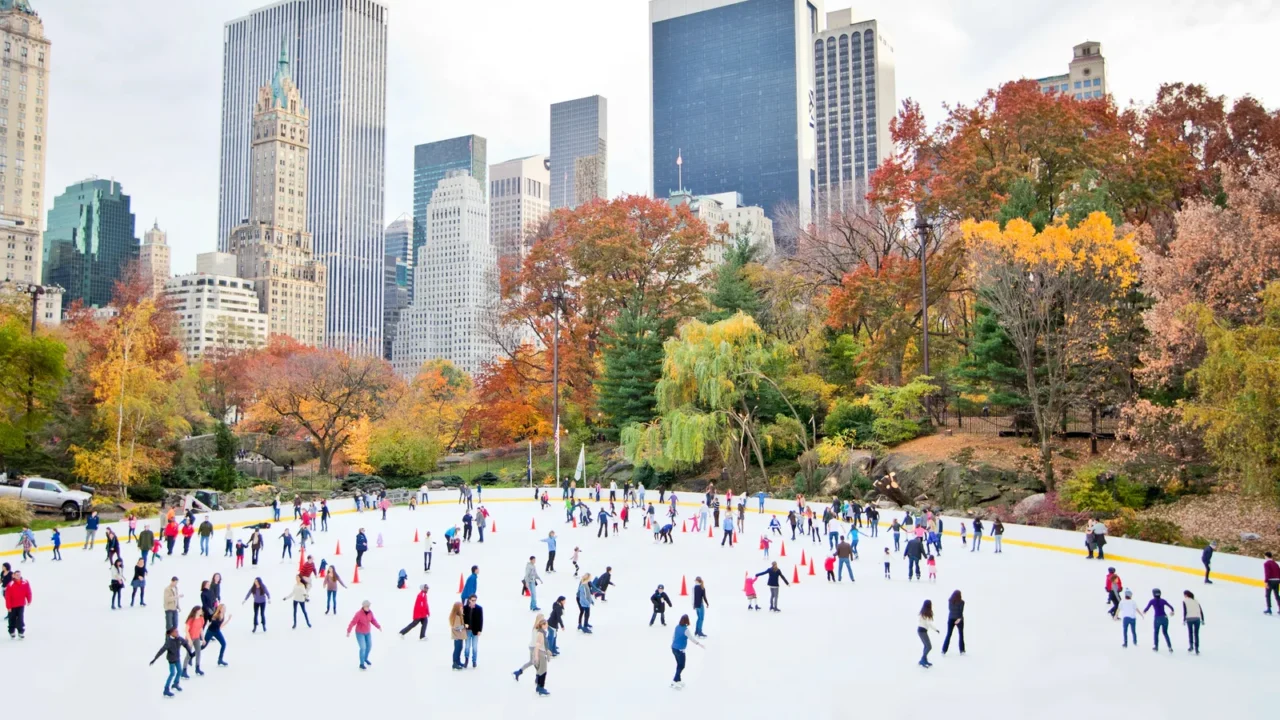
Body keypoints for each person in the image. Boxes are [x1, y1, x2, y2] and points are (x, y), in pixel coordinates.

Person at [150, 626, 192, 696]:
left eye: (177, 631)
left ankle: (175, 683)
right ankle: (166, 689)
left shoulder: (179, 639)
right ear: (171, 633)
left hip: (177, 658)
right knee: (172, 673)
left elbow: (185, 644)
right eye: (175, 632)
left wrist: (190, 652)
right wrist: (155, 659)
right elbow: (162, 650)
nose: (177, 633)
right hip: (171, 660)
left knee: (179, 671)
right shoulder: (169, 642)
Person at [670, 614, 703, 689]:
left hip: (674, 648)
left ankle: (678, 680)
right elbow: (691, 638)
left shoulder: (677, 627)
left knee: (679, 664)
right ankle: (675, 680)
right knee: (682, 665)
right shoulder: (686, 630)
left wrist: (673, 644)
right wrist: (698, 644)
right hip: (680, 650)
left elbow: (673, 637)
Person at [347, 600, 382, 670]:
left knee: (369, 646)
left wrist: (378, 626)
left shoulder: (370, 613)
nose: (368, 607)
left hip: (367, 632)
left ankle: (365, 658)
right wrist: (349, 631)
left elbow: (373, 620)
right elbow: (353, 622)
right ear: (363, 606)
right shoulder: (358, 614)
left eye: (369, 606)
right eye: (366, 606)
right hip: (360, 633)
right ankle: (361, 663)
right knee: (363, 647)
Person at [5, 569, 31, 638]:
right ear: (13, 575)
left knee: (20, 618)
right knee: (12, 618)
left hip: (21, 604)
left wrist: (29, 599)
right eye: (17, 575)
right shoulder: (10, 585)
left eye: (19, 575)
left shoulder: (25, 582)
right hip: (13, 605)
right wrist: (9, 607)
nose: (18, 576)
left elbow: (28, 591)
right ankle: (11, 631)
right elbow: (8, 597)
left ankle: (21, 631)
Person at [184, 606, 205, 677]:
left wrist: (203, 638)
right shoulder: (191, 619)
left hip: (197, 638)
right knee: (188, 655)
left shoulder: (201, 619)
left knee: (198, 652)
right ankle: (184, 670)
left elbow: (201, 629)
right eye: (200, 610)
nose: (201, 611)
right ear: (196, 611)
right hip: (190, 638)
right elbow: (186, 630)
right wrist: (189, 640)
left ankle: (197, 668)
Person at [917, 599, 940, 668]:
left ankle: (925, 659)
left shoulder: (923, 612)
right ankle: (922, 659)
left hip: (921, 630)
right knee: (929, 646)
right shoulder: (925, 613)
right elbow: (929, 623)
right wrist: (936, 629)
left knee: (926, 646)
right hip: (922, 631)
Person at [941, 590, 965, 655]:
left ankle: (944, 650)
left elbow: (950, 609)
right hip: (959, 619)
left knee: (948, 634)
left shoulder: (950, 601)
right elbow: (961, 611)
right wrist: (959, 619)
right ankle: (962, 650)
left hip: (951, 618)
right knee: (961, 635)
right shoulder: (962, 602)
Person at [462, 595, 483, 668]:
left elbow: (481, 620)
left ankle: (474, 661)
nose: (474, 602)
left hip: (475, 631)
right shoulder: (465, 608)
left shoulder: (479, 608)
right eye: (473, 600)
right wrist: (465, 625)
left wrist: (480, 630)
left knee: (475, 647)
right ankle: (466, 659)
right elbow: (463, 619)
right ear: (469, 600)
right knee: (467, 646)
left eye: (475, 600)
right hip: (468, 630)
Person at [1182, 590, 1205, 654]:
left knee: (1190, 633)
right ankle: (1197, 649)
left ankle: (1191, 646)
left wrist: (1184, 619)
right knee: (1196, 634)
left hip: (1189, 618)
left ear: (1186, 595)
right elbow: (1200, 610)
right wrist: (1203, 619)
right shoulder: (1196, 600)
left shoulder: (1184, 601)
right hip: (1197, 618)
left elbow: (1185, 611)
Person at [449, 602, 467, 670]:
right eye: (461, 607)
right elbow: (456, 627)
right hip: (457, 636)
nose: (462, 608)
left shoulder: (460, 615)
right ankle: (455, 663)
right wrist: (464, 626)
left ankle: (458, 661)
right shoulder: (456, 617)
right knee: (457, 649)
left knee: (460, 648)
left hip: (460, 636)